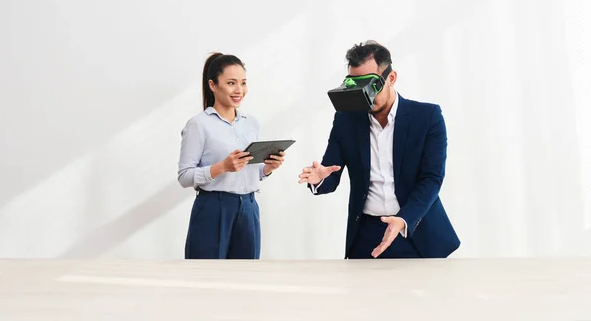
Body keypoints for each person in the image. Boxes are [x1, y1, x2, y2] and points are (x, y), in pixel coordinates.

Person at [298, 41, 460, 259]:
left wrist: (403, 220)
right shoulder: (346, 120)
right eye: (356, 85)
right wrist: (318, 179)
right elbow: (330, 175)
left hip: (414, 229)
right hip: (366, 233)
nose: (365, 95)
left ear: (391, 78)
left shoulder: (427, 117)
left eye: (371, 85)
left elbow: (432, 178)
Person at [178, 52, 285, 259]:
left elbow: (249, 171)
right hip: (213, 208)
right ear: (213, 85)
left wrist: (267, 169)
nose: (239, 90)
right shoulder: (198, 125)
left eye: (243, 83)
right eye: (231, 83)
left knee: (245, 278)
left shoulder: (251, 123)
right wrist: (223, 167)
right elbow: (184, 177)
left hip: (249, 208)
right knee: (207, 276)